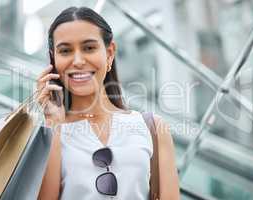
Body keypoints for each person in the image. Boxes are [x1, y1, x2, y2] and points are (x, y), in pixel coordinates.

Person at [36, 6, 179, 200]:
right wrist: (53, 125)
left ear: (110, 52)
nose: (78, 61)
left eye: (89, 48)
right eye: (65, 51)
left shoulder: (152, 128)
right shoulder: (50, 133)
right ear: (54, 58)